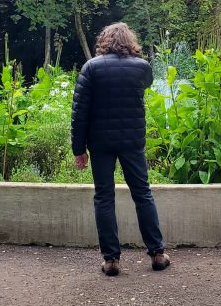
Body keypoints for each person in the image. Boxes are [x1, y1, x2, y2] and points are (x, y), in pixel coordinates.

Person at [70, 22, 171, 276]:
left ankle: (111, 260)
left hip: (100, 143)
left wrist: (78, 149)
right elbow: (146, 84)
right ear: (129, 40)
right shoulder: (142, 68)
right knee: (142, 194)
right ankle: (157, 253)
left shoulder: (91, 68)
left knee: (104, 197)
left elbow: (79, 112)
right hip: (132, 142)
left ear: (104, 41)